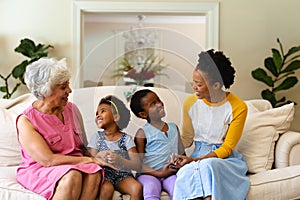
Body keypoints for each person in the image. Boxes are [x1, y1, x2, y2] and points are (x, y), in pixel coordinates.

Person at [16, 57, 116, 200]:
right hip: (41, 168)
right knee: (73, 176)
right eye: (63, 87)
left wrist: (98, 155)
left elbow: (82, 148)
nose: (69, 90)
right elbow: (48, 160)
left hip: (75, 163)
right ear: (46, 91)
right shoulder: (26, 121)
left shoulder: (72, 109)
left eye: (67, 85)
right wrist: (90, 161)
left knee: (94, 173)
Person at [173, 49, 250, 200]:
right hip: (198, 155)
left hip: (223, 160)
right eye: (193, 82)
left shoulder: (238, 107)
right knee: (186, 172)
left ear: (215, 85)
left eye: (199, 84)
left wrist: (195, 161)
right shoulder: (190, 103)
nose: (194, 87)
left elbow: (227, 148)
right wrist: (170, 148)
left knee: (208, 166)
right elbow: (187, 138)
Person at [130, 89, 185, 200]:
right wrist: (160, 174)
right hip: (148, 175)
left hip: (170, 174)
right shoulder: (142, 133)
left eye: (158, 100)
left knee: (178, 189)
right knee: (150, 190)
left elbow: (182, 153)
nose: (160, 104)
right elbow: (138, 165)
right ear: (143, 114)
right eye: (153, 104)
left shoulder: (174, 128)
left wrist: (180, 164)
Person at [88, 95, 142, 200]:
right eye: (97, 113)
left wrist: (120, 160)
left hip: (123, 176)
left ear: (116, 117)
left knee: (137, 188)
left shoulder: (126, 139)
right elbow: (91, 159)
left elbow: (137, 164)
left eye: (102, 111)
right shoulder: (96, 137)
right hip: (105, 175)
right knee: (106, 189)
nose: (98, 115)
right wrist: (99, 156)